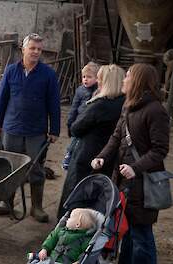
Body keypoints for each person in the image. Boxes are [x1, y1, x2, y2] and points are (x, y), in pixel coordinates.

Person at [91, 63, 170, 264]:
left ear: (138, 81)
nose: (124, 79)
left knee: (141, 235)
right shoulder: (128, 105)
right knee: (126, 230)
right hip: (124, 181)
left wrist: (135, 167)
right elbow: (117, 136)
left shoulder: (156, 111)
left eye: (128, 76)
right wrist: (102, 156)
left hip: (143, 184)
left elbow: (160, 150)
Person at [0, 33, 60, 222]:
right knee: (10, 166)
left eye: (39, 49)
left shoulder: (48, 74)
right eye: (32, 48)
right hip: (11, 127)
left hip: (35, 130)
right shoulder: (11, 71)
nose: (36, 52)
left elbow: (54, 103)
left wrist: (54, 129)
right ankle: (7, 202)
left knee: (36, 168)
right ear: (23, 49)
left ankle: (36, 207)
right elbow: (2, 99)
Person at [57, 64, 125, 219]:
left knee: (77, 193)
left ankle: (69, 224)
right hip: (109, 155)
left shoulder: (99, 105)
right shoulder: (123, 104)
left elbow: (76, 128)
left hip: (87, 154)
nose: (98, 82)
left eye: (100, 79)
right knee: (99, 194)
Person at [62, 62, 100, 170]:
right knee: (75, 141)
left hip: (91, 123)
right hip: (79, 121)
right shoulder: (80, 91)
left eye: (89, 77)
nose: (85, 79)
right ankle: (69, 156)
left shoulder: (99, 91)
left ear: (97, 78)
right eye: (84, 77)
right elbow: (73, 108)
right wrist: (70, 123)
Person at [28, 208, 96, 264]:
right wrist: (45, 249)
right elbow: (51, 239)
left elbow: (84, 254)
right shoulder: (61, 231)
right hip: (51, 259)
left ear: (77, 224)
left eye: (70, 218)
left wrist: (78, 262)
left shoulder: (85, 239)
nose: (67, 219)